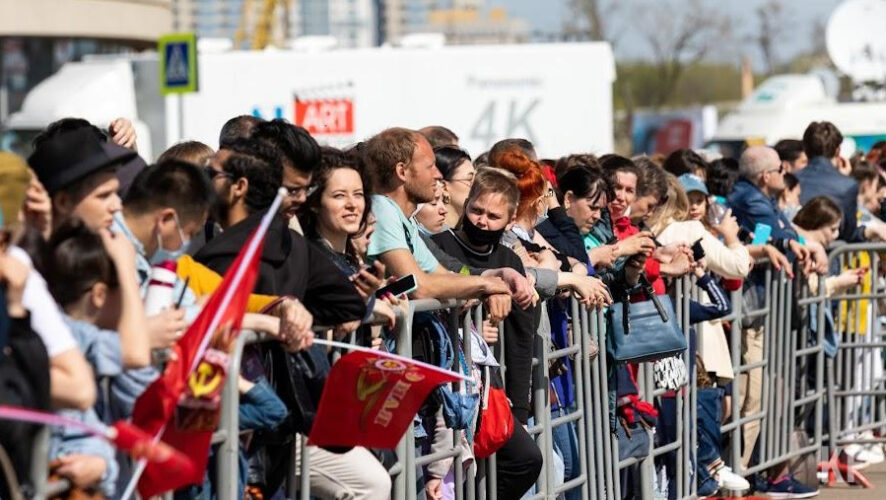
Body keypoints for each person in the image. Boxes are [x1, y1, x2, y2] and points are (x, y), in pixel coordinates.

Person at [194, 141, 388, 499]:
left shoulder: (222, 253)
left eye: (212, 174)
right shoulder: (294, 244)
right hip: (278, 414)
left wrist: (293, 317)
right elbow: (345, 305)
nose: (203, 180)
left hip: (245, 414)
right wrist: (289, 315)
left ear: (239, 187)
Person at [430, 167, 547, 499]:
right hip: (450, 387)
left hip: (493, 393)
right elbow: (445, 281)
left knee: (526, 459)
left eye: (493, 216)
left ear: (510, 220)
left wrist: (520, 413)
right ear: (465, 204)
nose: (481, 221)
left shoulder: (509, 258)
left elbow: (523, 339)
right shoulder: (440, 246)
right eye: (476, 210)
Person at [42, 220, 149, 497]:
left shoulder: (79, 338)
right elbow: (136, 353)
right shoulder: (71, 336)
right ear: (100, 294)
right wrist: (126, 268)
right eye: (128, 291)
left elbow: (139, 398)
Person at [361, 128, 516, 317]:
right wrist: (486, 284)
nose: (438, 175)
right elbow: (418, 285)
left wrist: (490, 287)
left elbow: (443, 275)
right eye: (430, 166)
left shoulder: (404, 219)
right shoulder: (381, 208)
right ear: (402, 171)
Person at [27, 123, 137, 236]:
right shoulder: (27, 251)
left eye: (116, 193)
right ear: (63, 202)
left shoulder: (118, 243)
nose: (118, 206)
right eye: (104, 196)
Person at [795, 121, 886, 243]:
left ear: (806, 150)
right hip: (832, 254)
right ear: (837, 151)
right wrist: (869, 231)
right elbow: (849, 233)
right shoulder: (847, 185)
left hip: (795, 253)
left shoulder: (791, 180)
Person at [250, 119, 321, 224]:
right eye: (292, 190)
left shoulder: (297, 236)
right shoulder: (226, 236)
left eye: (308, 189)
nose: (302, 199)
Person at [433, 146, 475, 229]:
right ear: (444, 187)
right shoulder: (430, 237)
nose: (477, 186)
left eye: (476, 178)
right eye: (469, 179)